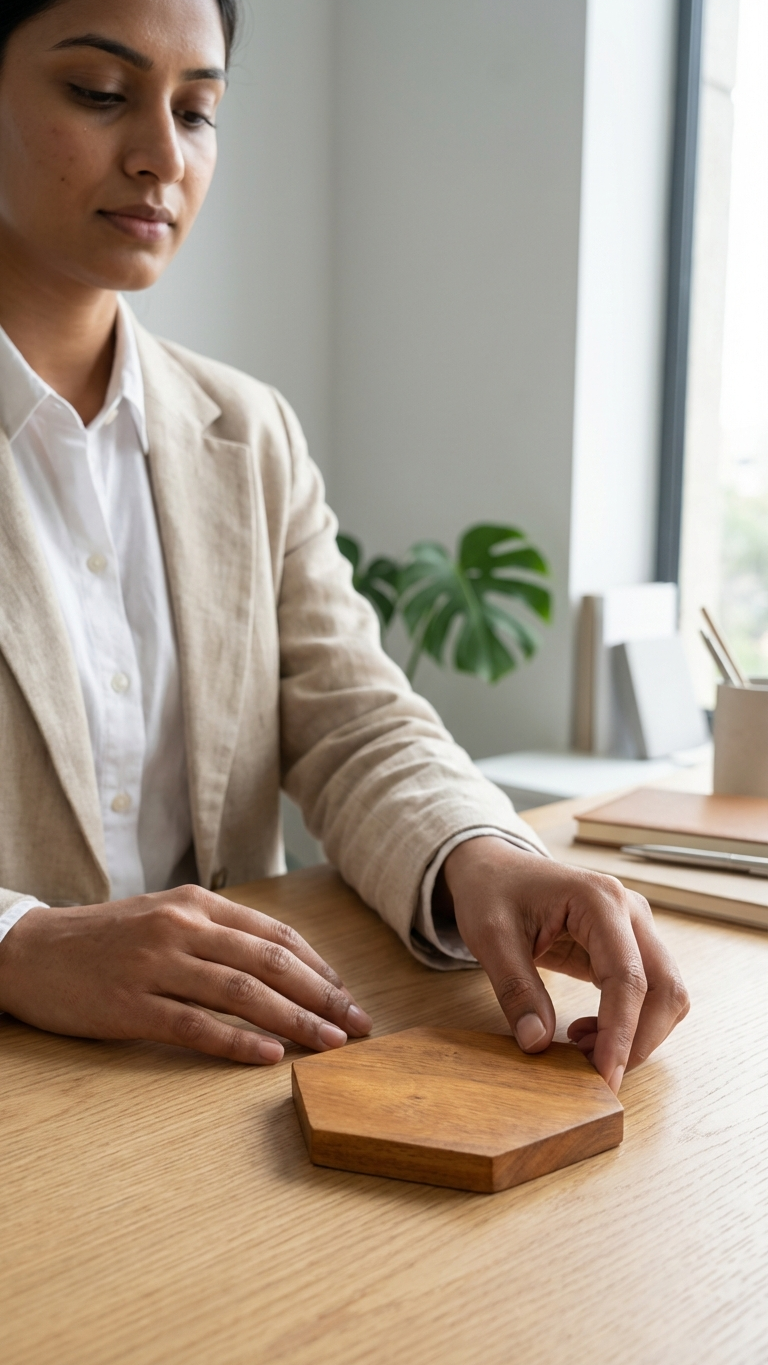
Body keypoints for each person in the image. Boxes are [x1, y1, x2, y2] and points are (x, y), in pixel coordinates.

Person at [0, 0, 689, 1089]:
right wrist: (20, 945)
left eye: (199, 110)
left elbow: (354, 722)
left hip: (237, 1089)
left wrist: (483, 854)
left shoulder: (249, 433)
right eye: (99, 94)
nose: (160, 157)